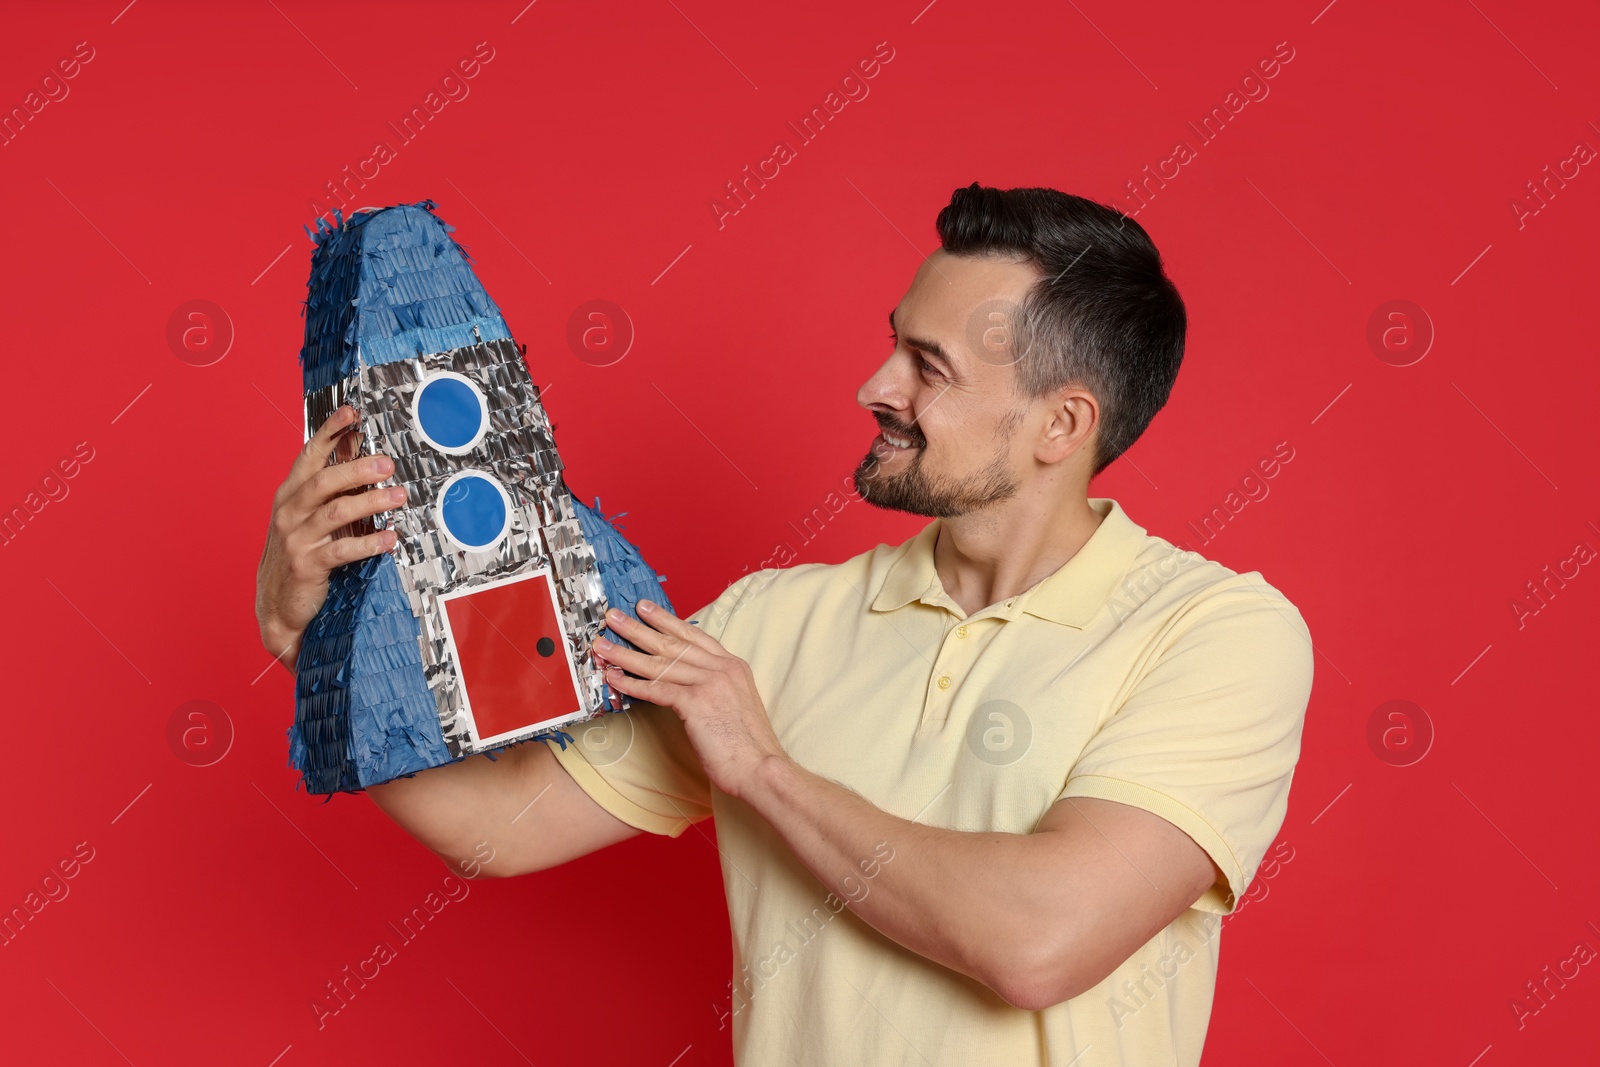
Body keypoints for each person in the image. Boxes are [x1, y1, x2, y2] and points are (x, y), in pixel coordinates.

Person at [256, 183, 1314, 1066]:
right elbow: (500, 827)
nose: (874, 384)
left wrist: (762, 767)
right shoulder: (773, 621)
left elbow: (1038, 940)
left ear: (1060, 424)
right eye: (891, 345)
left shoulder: (1214, 630)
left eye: (927, 366)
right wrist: (307, 622)